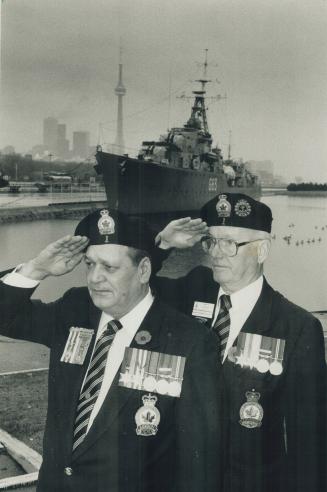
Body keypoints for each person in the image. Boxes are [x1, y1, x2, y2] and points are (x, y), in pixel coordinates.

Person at [0, 209, 223, 492]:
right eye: (90, 264)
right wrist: (37, 269)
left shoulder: (189, 340)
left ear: (143, 270)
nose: (94, 278)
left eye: (109, 267)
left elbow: (199, 460)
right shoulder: (74, 309)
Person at [153, 193, 327, 492]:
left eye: (230, 243)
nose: (216, 254)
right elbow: (134, 288)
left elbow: (308, 447)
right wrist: (163, 244)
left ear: (261, 251)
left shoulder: (296, 328)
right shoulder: (193, 288)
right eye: (211, 241)